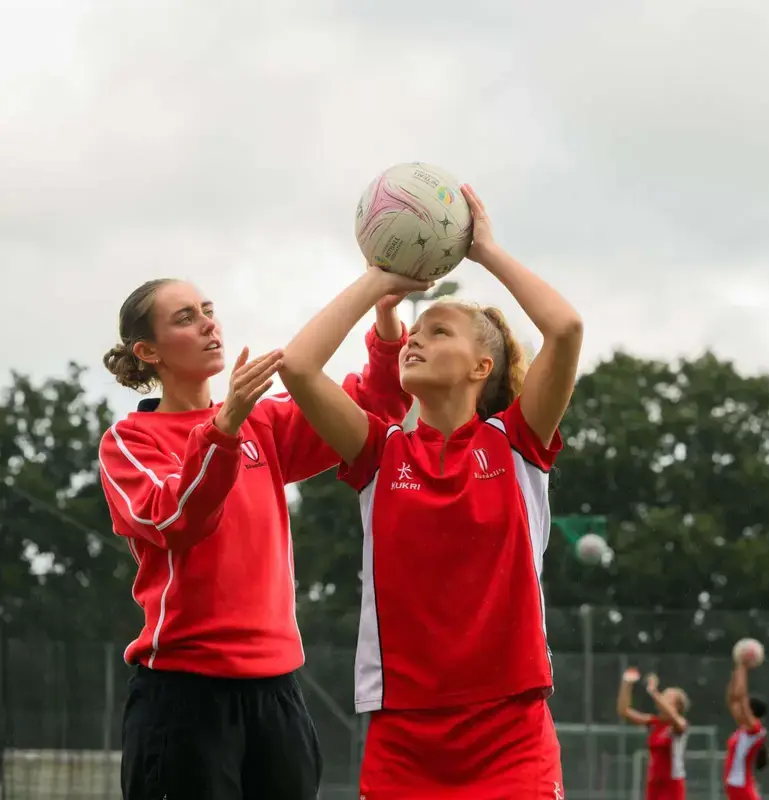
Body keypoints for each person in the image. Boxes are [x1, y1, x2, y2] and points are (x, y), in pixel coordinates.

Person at [279, 185, 583, 798]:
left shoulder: (517, 443)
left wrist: (486, 251)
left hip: (511, 732)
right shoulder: (380, 452)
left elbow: (566, 328)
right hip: (404, 737)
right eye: (416, 333)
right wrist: (377, 281)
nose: (416, 340)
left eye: (438, 331)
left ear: (482, 368)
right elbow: (299, 367)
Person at [98, 277, 420, 800]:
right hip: (184, 694)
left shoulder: (262, 424)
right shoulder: (130, 441)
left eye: (207, 309)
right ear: (147, 351)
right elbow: (175, 518)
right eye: (185, 318)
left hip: (278, 692)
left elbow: (369, 408)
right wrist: (224, 429)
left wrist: (385, 323)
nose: (208, 323)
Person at [616, 667, 690, 800]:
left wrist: (653, 691)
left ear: (677, 706)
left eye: (667, 696)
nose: (662, 698)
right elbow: (624, 711)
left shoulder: (680, 724)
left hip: (672, 784)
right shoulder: (654, 723)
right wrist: (626, 684)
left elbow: (674, 718)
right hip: (654, 782)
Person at [724, 658, 768, 800]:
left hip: (741, 788)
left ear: (750, 711)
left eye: (743, 708)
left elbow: (741, 696)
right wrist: (736, 671)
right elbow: (732, 698)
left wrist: (743, 667)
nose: (738, 709)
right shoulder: (744, 730)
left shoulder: (755, 730)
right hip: (735, 786)